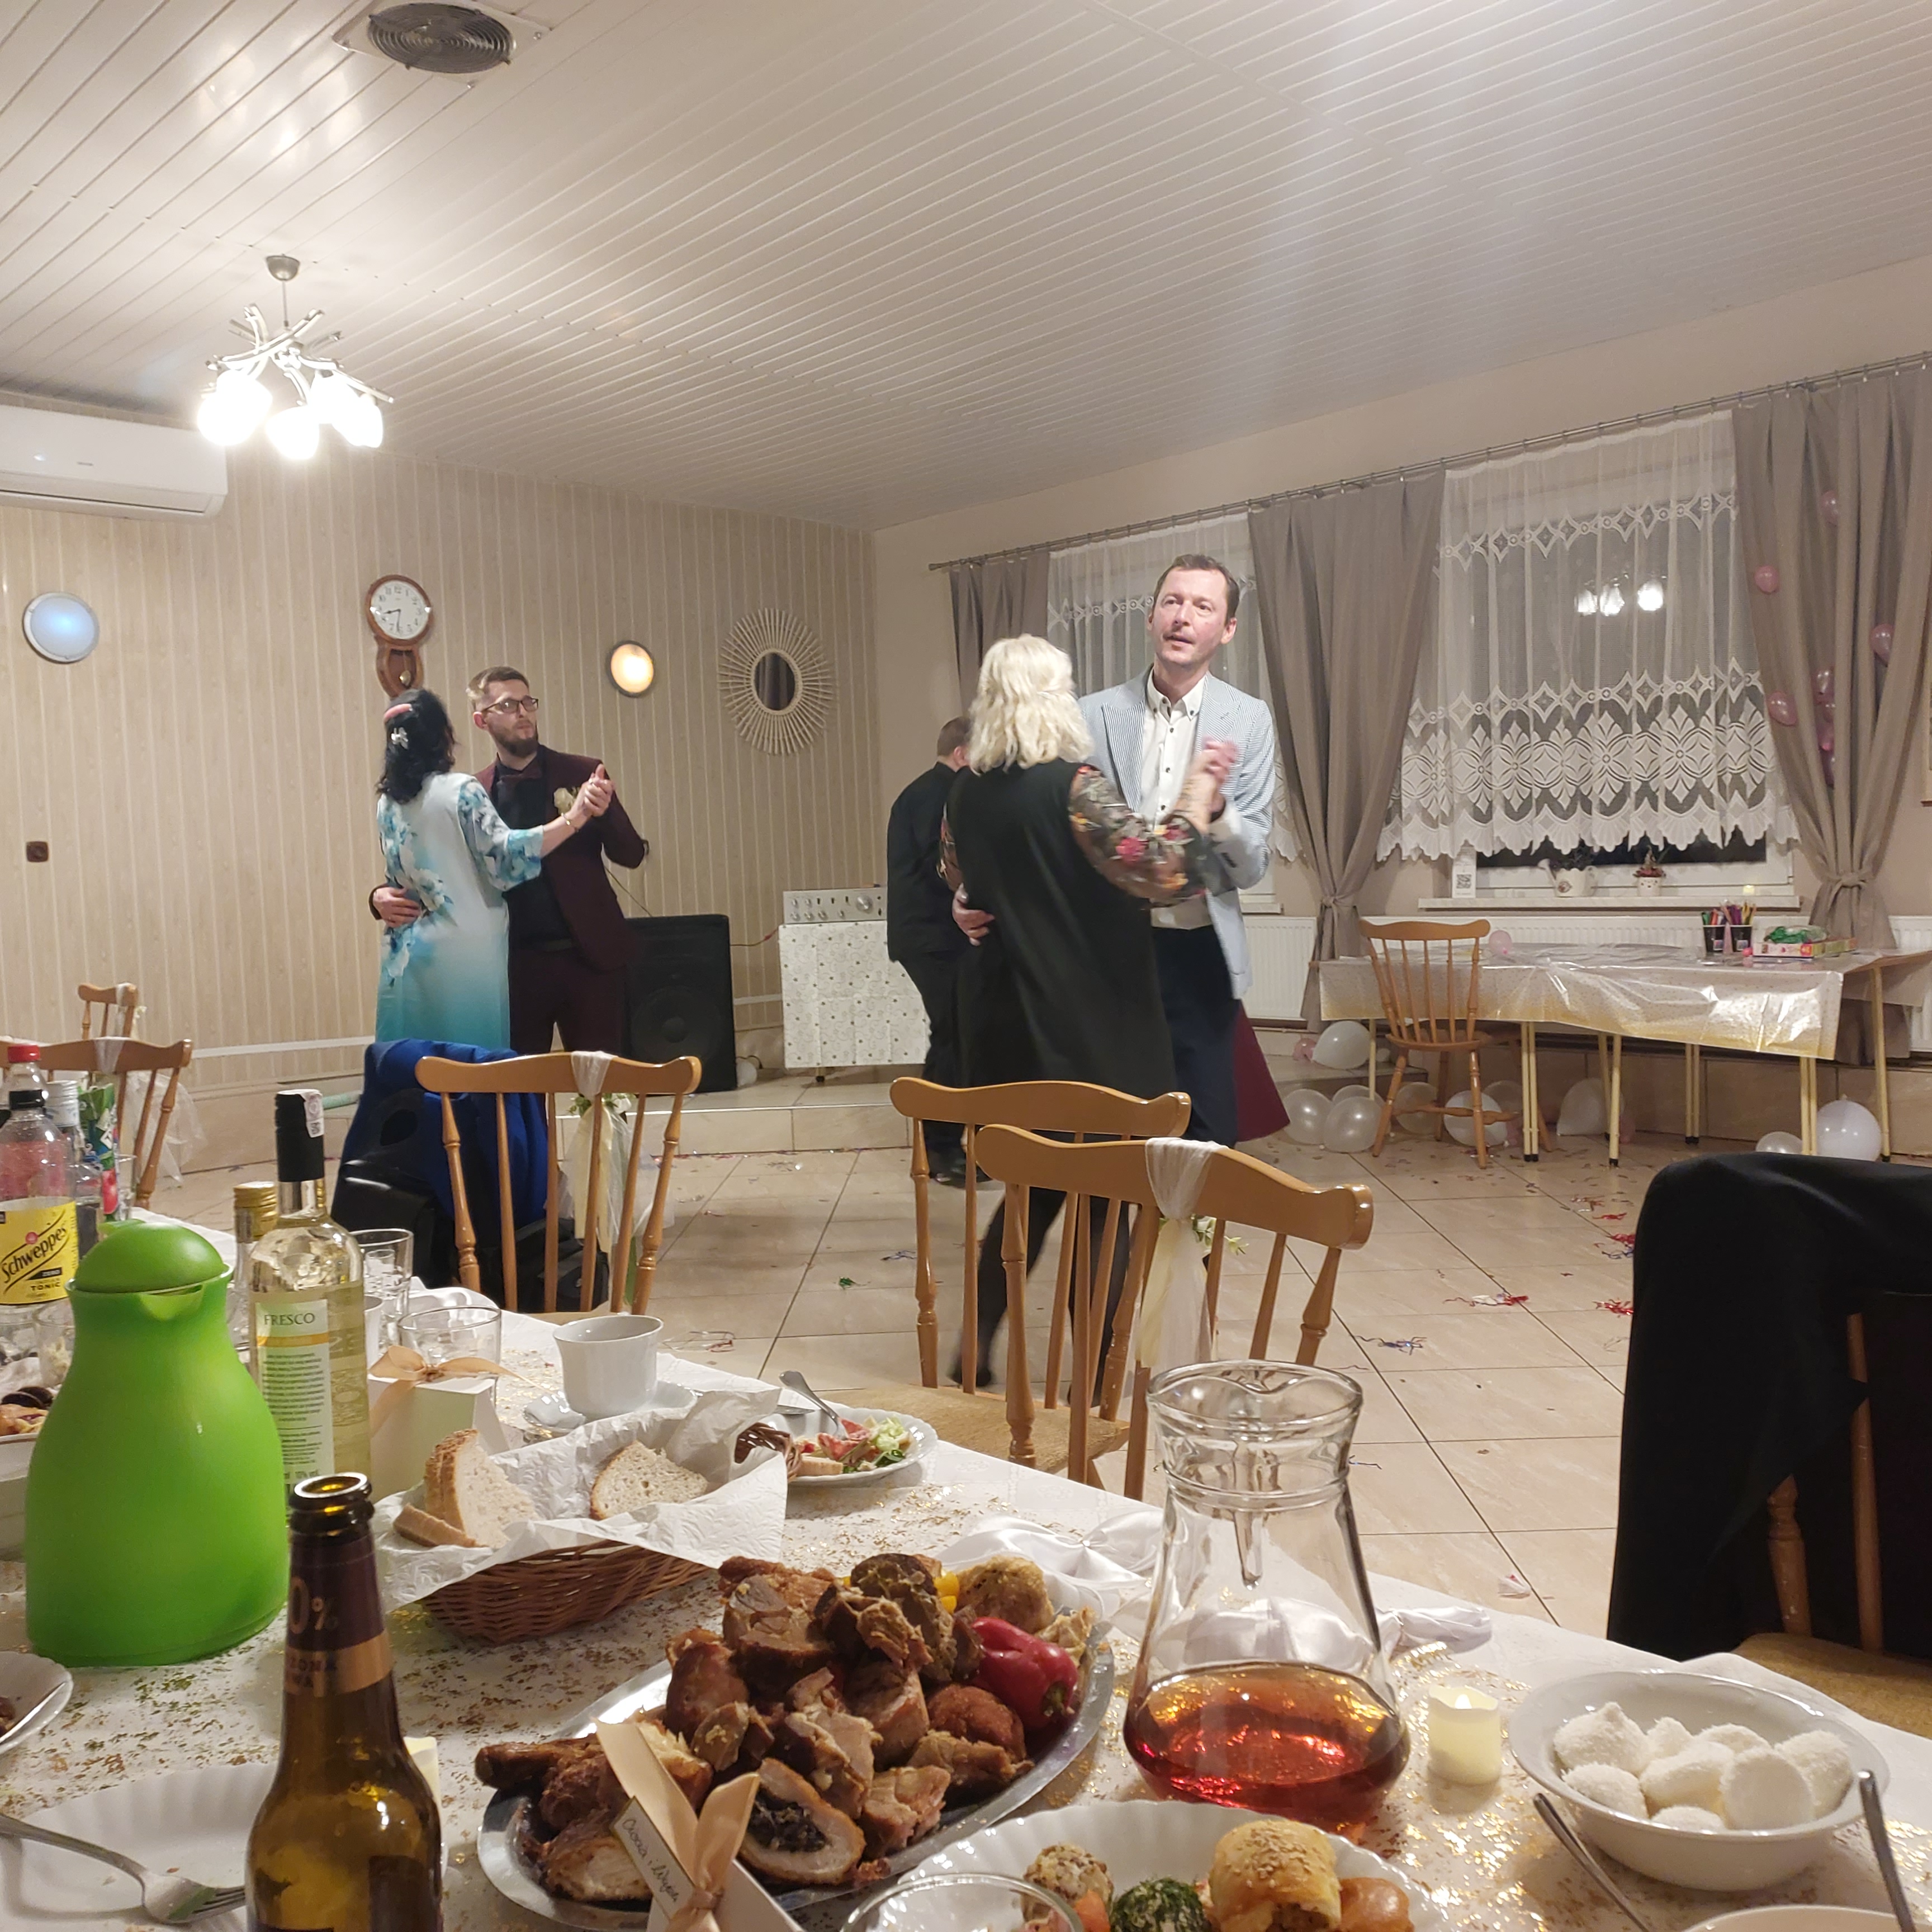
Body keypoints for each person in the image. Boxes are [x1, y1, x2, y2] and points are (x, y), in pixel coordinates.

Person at [942, 634, 1234, 1380]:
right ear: (1054, 698)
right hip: (1092, 1020)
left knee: (1032, 1189)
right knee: (1103, 1202)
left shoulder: (965, 793)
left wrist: (968, 903)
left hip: (1008, 1020)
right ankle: (1097, 1373)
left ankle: (974, 1350)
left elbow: (960, 877)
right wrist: (1199, 793)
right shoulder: (1075, 787)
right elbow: (1161, 871)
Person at [955, 554, 1276, 1145]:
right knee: (1114, 1130)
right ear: (1151, 617)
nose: (1183, 616)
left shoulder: (1250, 720)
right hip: (1102, 958)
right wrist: (969, 895)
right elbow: (1036, 825)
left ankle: (1178, 1216)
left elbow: (1252, 863)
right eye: (1172, 602)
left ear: (1227, 628)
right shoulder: (1088, 713)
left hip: (1201, 950)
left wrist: (1218, 813)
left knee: (1207, 1133)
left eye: (1202, 606)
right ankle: (1111, 1210)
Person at [372, 666, 648, 1053]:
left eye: (527, 702)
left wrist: (602, 815)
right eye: (507, 705)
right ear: (481, 720)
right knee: (515, 1082)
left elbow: (631, 854)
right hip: (515, 964)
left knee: (603, 1079)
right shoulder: (471, 790)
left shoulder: (583, 773)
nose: (523, 712)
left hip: (589, 955)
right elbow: (430, 864)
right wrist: (378, 897)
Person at [886, 716, 973, 1185]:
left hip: (930, 935)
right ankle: (940, 1148)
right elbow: (944, 864)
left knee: (958, 1032)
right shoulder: (942, 793)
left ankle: (951, 1142)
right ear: (962, 753)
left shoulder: (920, 792)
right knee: (953, 1033)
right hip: (934, 935)